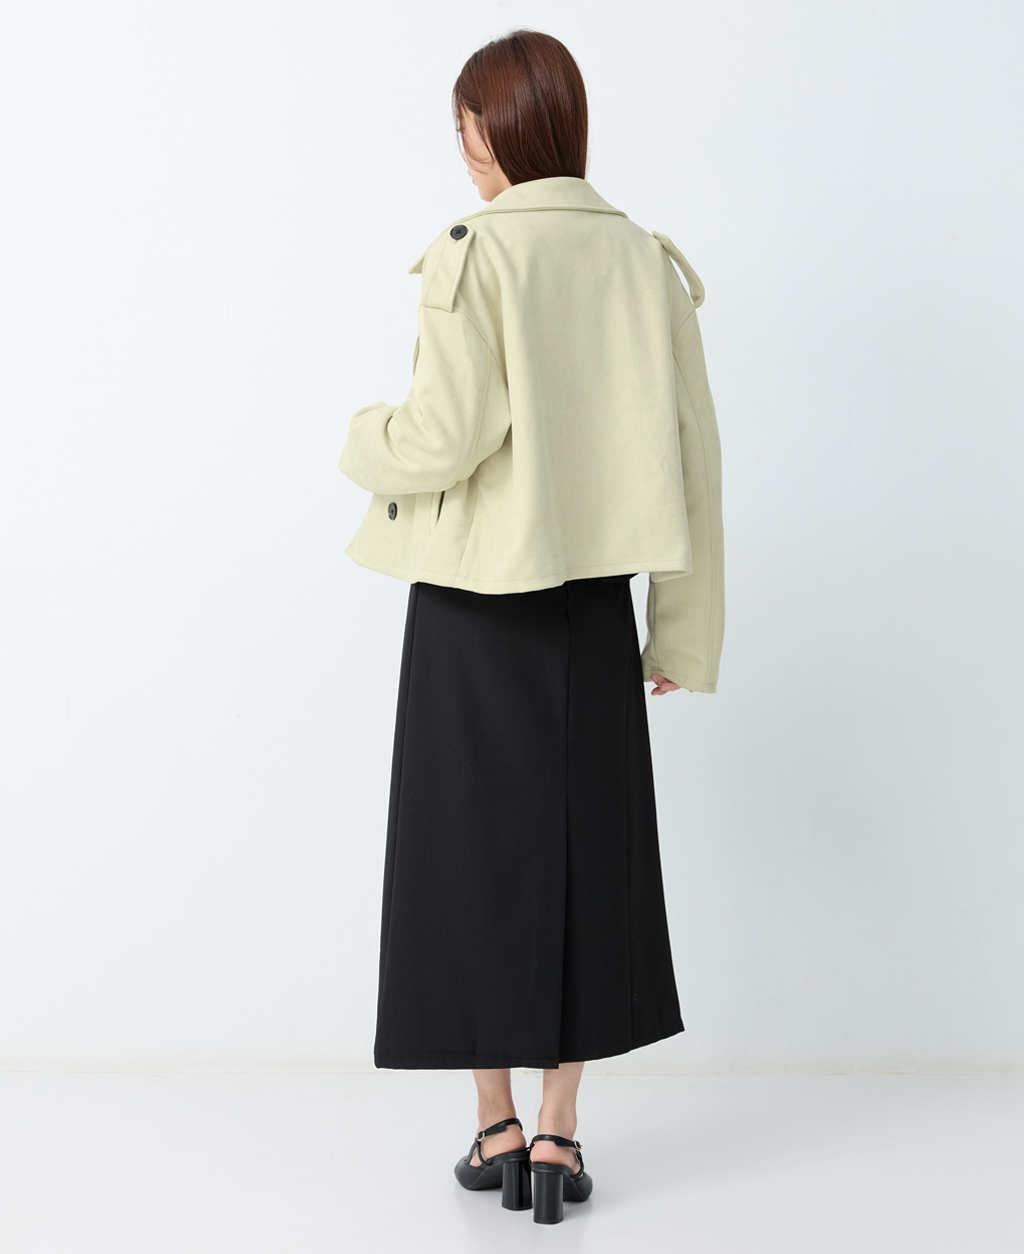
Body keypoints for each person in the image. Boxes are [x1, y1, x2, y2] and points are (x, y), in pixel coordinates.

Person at [337, 28, 724, 1225]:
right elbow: (694, 460)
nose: (462, 146)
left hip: (472, 606)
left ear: (493, 130)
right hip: (592, 607)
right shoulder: (643, 262)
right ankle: (557, 1136)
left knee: (467, 859)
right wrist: (679, 634)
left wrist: (361, 439)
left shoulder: (475, 252)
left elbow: (442, 437)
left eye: (465, 123)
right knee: (586, 859)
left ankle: (493, 1124)